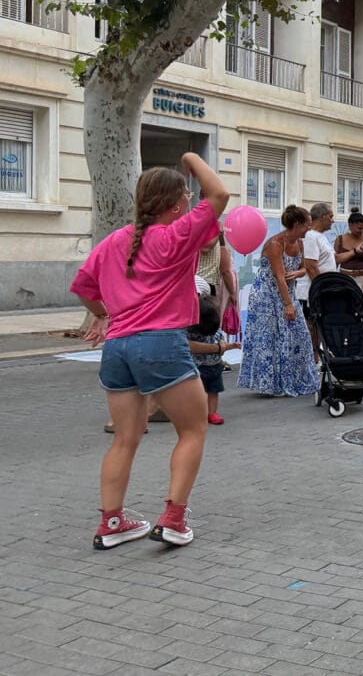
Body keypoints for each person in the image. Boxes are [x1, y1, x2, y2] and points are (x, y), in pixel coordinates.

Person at [70, 153, 228, 549]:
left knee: (124, 439)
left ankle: (112, 522)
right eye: (186, 198)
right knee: (192, 429)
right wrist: (192, 157)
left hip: (118, 347)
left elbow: (84, 289)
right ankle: (173, 519)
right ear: (175, 204)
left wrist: (104, 317)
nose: (192, 202)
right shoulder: (175, 235)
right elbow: (221, 194)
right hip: (159, 342)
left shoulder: (113, 242)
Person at [237, 205, 319, 397]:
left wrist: (298, 273)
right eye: (307, 224)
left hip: (286, 292)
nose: (309, 228)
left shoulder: (300, 242)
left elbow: (303, 268)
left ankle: (297, 379)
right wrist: (289, 304)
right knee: (271, 338)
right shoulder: (275, 244)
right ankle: (272, 384)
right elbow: (279, 276)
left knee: (299, 335)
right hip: (267, 295)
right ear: (297, 224)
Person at [186, 284, 238, 426]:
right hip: (196, 367)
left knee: (213, 391)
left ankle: (212, 413)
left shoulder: (216, 329)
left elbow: (221, 343)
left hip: (215, 365)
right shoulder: (191, 331)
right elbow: (191, 347)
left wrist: (232, 346)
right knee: (198, 392)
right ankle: (198, 414)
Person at [299, 203, 338, 361]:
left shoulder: (320, 237)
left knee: (320, 325)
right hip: (312, 291)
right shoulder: (310, 236)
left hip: (324, 290)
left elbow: (331, 261)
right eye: (331, 217)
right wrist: (322, 288)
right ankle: (312, 359)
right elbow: (311, 265)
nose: (332, 220)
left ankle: (317, 357)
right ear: (322, 217)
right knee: (312, 326)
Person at [335, 208, 363, 288]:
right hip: (345, 278)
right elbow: (335, 260)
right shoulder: (339, 239)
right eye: (359, 228)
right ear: (350, 225)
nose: (361, 231)